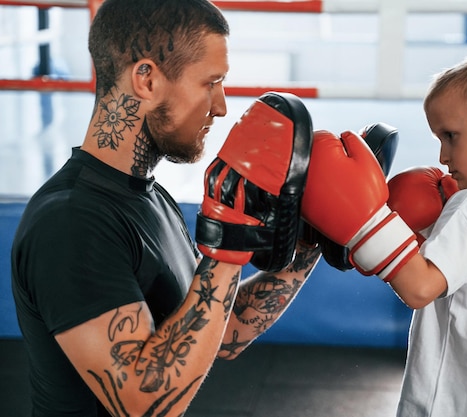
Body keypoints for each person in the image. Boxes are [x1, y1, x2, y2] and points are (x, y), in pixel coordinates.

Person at [11, 1, 323, 416]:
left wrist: (308, 241)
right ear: (146, 79)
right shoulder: (71, 221)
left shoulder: (149, 197)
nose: (221, 105)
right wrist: (228, 240)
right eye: (210, 82)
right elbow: (143, 403)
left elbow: (218, 328)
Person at [301, 50, 467, 416]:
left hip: (448, 403)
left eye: (451, 135)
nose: (442, 155)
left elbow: (420, 288)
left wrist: (366, 220)